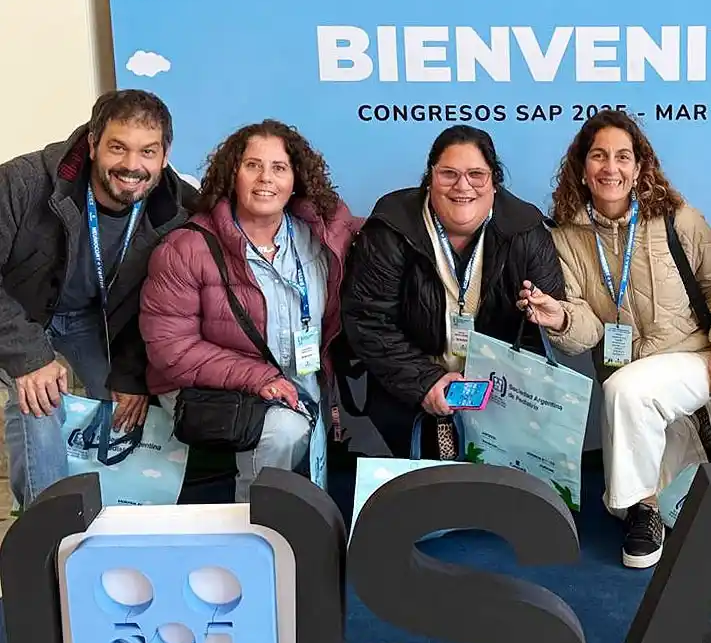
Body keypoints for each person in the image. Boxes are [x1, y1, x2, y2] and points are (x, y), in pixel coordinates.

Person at [519, 109, 711, 569]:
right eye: (599, 156)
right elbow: (587, 330)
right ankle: (695, 453)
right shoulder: (564, 237)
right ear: (582, 168)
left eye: (623, 157)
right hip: (628, 373)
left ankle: (641, 512)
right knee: (641, 436)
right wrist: (560, 317)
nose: (611, 167)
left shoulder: (678, 219)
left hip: (695, 359)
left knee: (624, 399)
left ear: (640, 167)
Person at [139, 120, 363, 502]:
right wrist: (258, 378)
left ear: (296, 180)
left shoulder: (322, 236)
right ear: (232, 175)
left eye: (279, 168)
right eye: (252, 166)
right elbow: (170, 349)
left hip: (301, 380)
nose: (266, 179)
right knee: (285, 430)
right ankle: (256, 526)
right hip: (210, 385)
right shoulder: (185, 248)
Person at [0, 89, 197, 509]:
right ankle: (46, 529)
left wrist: (130, 374)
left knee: (123, 408)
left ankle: (113, 523)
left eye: (148, 151)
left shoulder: (177, 209)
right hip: (20, 312)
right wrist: (27, 357)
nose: (132, 165)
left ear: (165, 154)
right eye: (117, 148)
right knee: (39, 405)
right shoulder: (22, 182)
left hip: (96, 319)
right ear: (92, 144)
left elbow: (161, 301)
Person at [341, 124, 566, 458]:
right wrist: (426, 382)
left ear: (494, 182)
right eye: (449, 174)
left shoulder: (526, 230)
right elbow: (369, 322)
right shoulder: (390, 228)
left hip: (499, 394)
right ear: (430, 178)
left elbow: (538, 333)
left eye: (477, 174)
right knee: (426, 493)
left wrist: (498, 389)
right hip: (407, 389)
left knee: (499, 495)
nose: (463, 186)